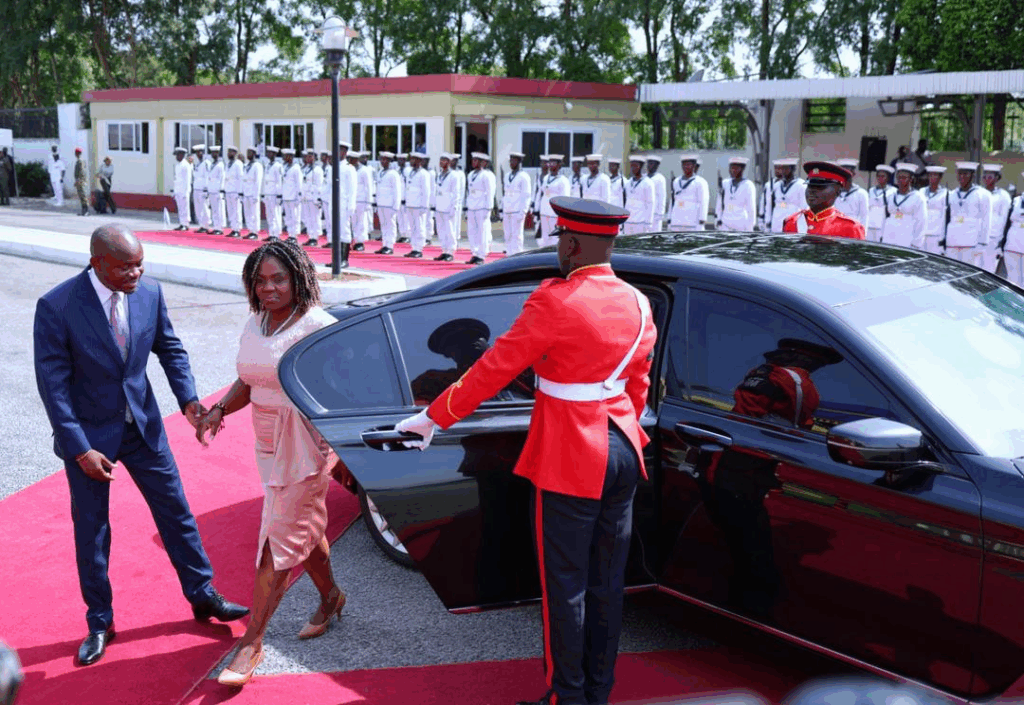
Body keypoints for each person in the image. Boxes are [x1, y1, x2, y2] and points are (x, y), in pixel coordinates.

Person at [394, 196, 657, 705]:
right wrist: (621, 426)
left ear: (572, 244)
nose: (558, 249)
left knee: (565, 586)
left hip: (573, 454)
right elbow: (638, 384)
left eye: (560, 241)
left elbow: (493, 369)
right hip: (623, 445)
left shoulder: (555, 299)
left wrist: (432, 418)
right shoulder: (638, 301)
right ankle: (598, 692)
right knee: (607, 583)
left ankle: (567, 697)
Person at [33, 224, 249, 667]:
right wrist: (79, 449)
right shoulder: (57, 306)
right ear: (97, 263)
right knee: (92, 531)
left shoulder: (149, 292)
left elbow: (170, 348)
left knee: (176, 512)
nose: (137, 273)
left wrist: (188, 400)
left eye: (140, 264)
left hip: (144, 427)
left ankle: (202, 594)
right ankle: (99, 621)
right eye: (125, 267)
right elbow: (53, 388)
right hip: (90, 441)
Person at [195, 240, 344, 687]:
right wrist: (219, 409)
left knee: (276, 537)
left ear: (298, 279)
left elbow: (341, 390)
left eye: (279, 279)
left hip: (305, 445)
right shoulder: (255, 322)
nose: (269, 288)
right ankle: (332, 597)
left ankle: (252, 642)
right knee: (301, 527)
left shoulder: (318, 326)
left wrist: (344, 449)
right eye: (260, 281)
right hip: (266, 444)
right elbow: (250, 379)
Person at [782, 161, 864, 239]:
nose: (812, 191)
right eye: (810, 185)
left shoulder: (850, 228)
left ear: (838, 191)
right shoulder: (792, 222)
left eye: (820, 187)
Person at [941, 162, 990, 264]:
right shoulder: (951, 194)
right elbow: (945, 219)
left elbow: (986, 219)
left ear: (973, 176)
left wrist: (982, 243)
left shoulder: (983, 194)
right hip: (952, 241)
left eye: (965, 174)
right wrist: (943, 239)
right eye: (960, 174)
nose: (962, 177)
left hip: (971, 242)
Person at [878, 162, 926, 248]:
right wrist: (881, 235)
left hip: (907, 238)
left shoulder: (918, 197)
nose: (900, 180)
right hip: (889, 237)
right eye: (899, 177)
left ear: (911, 179)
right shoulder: (891, 195)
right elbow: (884, 218)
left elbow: (921, 222)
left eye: (904, 178)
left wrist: (916, 244)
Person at [464, 152, 496, 264]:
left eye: (476, 160)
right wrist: (467, 206)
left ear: (483, 162)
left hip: (482, 206)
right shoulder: (471, 174)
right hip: (472, 206)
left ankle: (482, 255)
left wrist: (489, 208)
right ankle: (475, 253)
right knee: (472, 231)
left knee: (483, 231)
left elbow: (490, 192)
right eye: (473, 160)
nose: (473, 162)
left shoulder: (487, 175)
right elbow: (469, 192)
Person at [501, 151, 532, 256]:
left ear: (519, 162)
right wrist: (502, 208)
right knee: (508, 234)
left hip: (517, 210)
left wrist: (523, 211)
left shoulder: (524, 176)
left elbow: (526, 195)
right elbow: (505, 193)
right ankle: (509, 254)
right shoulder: (507, 175)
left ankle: (517, 254)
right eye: (510, 161)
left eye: (513, 161)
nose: (511, 163)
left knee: (517, 235)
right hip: (508, 209)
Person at [668, 154, 709, 232]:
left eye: (688, 165)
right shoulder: (676, 181)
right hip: (677, 219)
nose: (686, 167)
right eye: (684, 165)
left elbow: (703, 201)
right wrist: (669, 217)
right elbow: (672, 200)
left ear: (694, 166)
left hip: (692, 220)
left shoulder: (700, 182)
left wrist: (702, 218)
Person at [982, 163, 1011, 273]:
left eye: (990, 176)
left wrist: (1001, 242)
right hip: (978, 237)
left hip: (994, 238)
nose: (987, 179)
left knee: (989, 269)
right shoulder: (979, 193)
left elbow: (1005, 220)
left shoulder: (1003, 196)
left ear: (997, 178)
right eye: (985, 176)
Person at [765, 157, 806, 233]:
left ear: (792, 169)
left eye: (786, 168)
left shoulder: (801, 185)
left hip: (792, 222)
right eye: (782, 168)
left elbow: (804, 208)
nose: (783, 171)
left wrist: (802, 228)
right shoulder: (777, 185)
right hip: (777, 222)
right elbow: (770, 205)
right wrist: (768, 222)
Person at [715, 157, 756, 231]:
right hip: (725, 224)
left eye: (736, 168)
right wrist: (718, 219)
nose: (733, 170)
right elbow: (719, 203)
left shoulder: (748, 185)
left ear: (742, 169)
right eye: (731, 168)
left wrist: (750, 228)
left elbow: (751, 209)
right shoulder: (725, 183)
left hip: (741, 225)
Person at [404, 151, 432, 259]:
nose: (411, 161)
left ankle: (419, 249)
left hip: (419, 205)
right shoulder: (410, 172)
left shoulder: (424, 174)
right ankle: (414, 247)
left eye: (414, 159)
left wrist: (424, 206)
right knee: (413, 227)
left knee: (420, 227)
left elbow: (426, 191)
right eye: (411, 159)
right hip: (411, 203)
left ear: (419, 161)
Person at [538, 155, 571, 247]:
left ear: (559, 165)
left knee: (555, 238)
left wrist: (562, 215)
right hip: (544, 211)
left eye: (554, 163)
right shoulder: (546, 178)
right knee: (545, 237)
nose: (551, 165)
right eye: (550, 163)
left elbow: (565, 199)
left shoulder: (563, 180)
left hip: (555, 214)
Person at [998, 174, 1024, 285]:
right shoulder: (1016, 201)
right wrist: (1001, 244)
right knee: (1012, 280)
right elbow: (1007, 223)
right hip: (1012, 245)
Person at [375, 151, 402, 255]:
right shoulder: (380, 172)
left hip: (390, 204)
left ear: (390, 161)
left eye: (385, 159)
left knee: (390, 225)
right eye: (381, 159)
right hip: (381, 203)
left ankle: (390, 246)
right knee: (383, 225)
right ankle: (384, 244)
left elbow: (397, 190)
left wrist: (396, 206)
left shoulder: (393, 173)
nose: (383, 161)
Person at [918, 165, 948, 255]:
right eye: (930, 175)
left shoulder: (945, 193)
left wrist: (942, 237)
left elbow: (944, 216)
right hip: (922, 233)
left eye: (935, 175)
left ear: (940, 177)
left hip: (936, 235)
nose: (932, 178)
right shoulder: (922, 191)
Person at [623, 155, 655, 235]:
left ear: (641, 167)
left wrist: (649, 222)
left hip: (641, 221)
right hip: (629, 220)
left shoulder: (648, 183)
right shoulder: (628, 182)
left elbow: (650, 203)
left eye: (635, 166)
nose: (633, 168)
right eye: (632, 166)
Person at [299, 149, 323, 247]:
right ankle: (310, 236)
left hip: (314, 197)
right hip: (306, 196)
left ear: (315, 158)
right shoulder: (305, 168)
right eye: (307, 156)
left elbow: (319, 185)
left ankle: (315, 238)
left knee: (315, 218)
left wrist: (318, 198)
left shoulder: (317, 170)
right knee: (307, 218)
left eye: (310, 156)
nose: (308, 158)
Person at [833, 158, 867, 227]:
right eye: (843, 172)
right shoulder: (834, 191)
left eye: (848, 171)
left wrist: (863, 232)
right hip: (836, 227)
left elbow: (864, 216)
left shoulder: (861, 193)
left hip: (853, 228)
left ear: (853, 174)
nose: (845, 175)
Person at [866, 166, 896, 242]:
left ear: (888, 178)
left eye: (883, 176)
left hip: (883, 225)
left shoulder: (893, 191)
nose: (880, 178)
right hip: (870, 224)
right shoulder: (871, 190)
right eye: (878, 176)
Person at [353, 150, 375, 251]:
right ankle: (356, 240)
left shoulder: (364, 170)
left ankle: (360, 242)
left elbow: (369, 186)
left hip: (362, 200)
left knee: (361, 221)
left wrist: (369, 202)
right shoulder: (352, 169)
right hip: (353, 199)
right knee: (354, 221)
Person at [280, 148, 302, 243]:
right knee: (288, 217)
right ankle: (290, 234)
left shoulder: (296, 168)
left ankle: (294, 236)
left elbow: (299, 183)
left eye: (285, 156)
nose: (284, 158)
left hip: (293, 196)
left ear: (290, 157)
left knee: (294, 217)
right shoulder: (284, 167)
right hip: (286, 196)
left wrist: (298, 197)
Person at [242, 146, 264, 240]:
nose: (248, 155)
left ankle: (255, 231)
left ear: (254, 154)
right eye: (247, 152)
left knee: (254, 213)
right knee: (247, 213)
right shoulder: (246, 165)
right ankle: (250, 230)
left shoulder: (257, 165)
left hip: (253, 192)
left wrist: (256, 194)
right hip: (246, 192)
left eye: (250, 152)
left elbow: (258, 181)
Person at [262, 145, 283, 241]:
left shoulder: (278, 166)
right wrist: (263, 193)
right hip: (268, 192)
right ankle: (271, 233)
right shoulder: (267, 165)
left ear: (274, 154)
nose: (268, 154)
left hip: (274, 193)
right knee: (269, 214)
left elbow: (279, 181)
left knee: (275, 214)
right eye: (268, 152)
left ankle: (276, 234)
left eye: (270, 153)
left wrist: (279, 194)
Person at [222, 146, 245, 238]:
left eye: (231, 152)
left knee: (236, 211)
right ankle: (233, 228)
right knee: (230, 211)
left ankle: (237, 229)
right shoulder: (228, 163)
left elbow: (240, 178)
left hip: (235, 190)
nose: (229, 154)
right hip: (228, 190)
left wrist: (240, 192)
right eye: (228, 152)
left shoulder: (238, 163)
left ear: (235, 153)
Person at [171, 147, 192, 230]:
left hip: (184, 190)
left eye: (178, 155)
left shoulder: (186, 165)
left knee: (185, 208)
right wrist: (175, 191)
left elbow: (187, 179)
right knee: (180, 208)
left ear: (182, 155)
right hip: (178, 190)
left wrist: (186, 192)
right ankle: (181, 223)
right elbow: (176, 179)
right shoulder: (178, 165)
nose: (176, 157)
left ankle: (186, 224)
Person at [207, 146, 226, 235]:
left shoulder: (220, 164)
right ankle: (215, 227)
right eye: (212, 153)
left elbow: (222, 177)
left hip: (218, 190)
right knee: (214, 210)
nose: (213, 154)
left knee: (219, 210)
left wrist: (221, 190)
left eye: (215, 152)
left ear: (218, 153)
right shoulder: (212, 164)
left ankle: (220, 228)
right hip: (212, 189)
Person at [646, 155, 667, 230]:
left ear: (657, 165)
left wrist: (661, 213)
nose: (649, 165)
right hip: (645, 210)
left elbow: (662, 196)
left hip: (656, 212)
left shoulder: (660, 178)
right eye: (649, 163)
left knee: (654, 232)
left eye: (652, 163)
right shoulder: (644, 177)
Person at [191, 145, 209, 231]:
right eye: (197, 153)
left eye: (200, 152)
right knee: (198, 208)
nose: (198, 154)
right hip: (196, 188)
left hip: (203, 189)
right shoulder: (198, 163)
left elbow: (207, 176)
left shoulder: (206, 163)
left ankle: (206, 225)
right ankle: (201, 225)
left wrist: (206, 189)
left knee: (204, 207)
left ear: (203, 153)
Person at [74, 148, 89, 216]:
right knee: (81, 196)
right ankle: (84, 211)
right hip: (81, 180)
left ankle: (86, 211)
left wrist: (79, 180)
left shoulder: (80, 161)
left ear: (77, 154)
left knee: (83, 196)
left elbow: (81, 172)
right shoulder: (81, 161)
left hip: (81, 181)